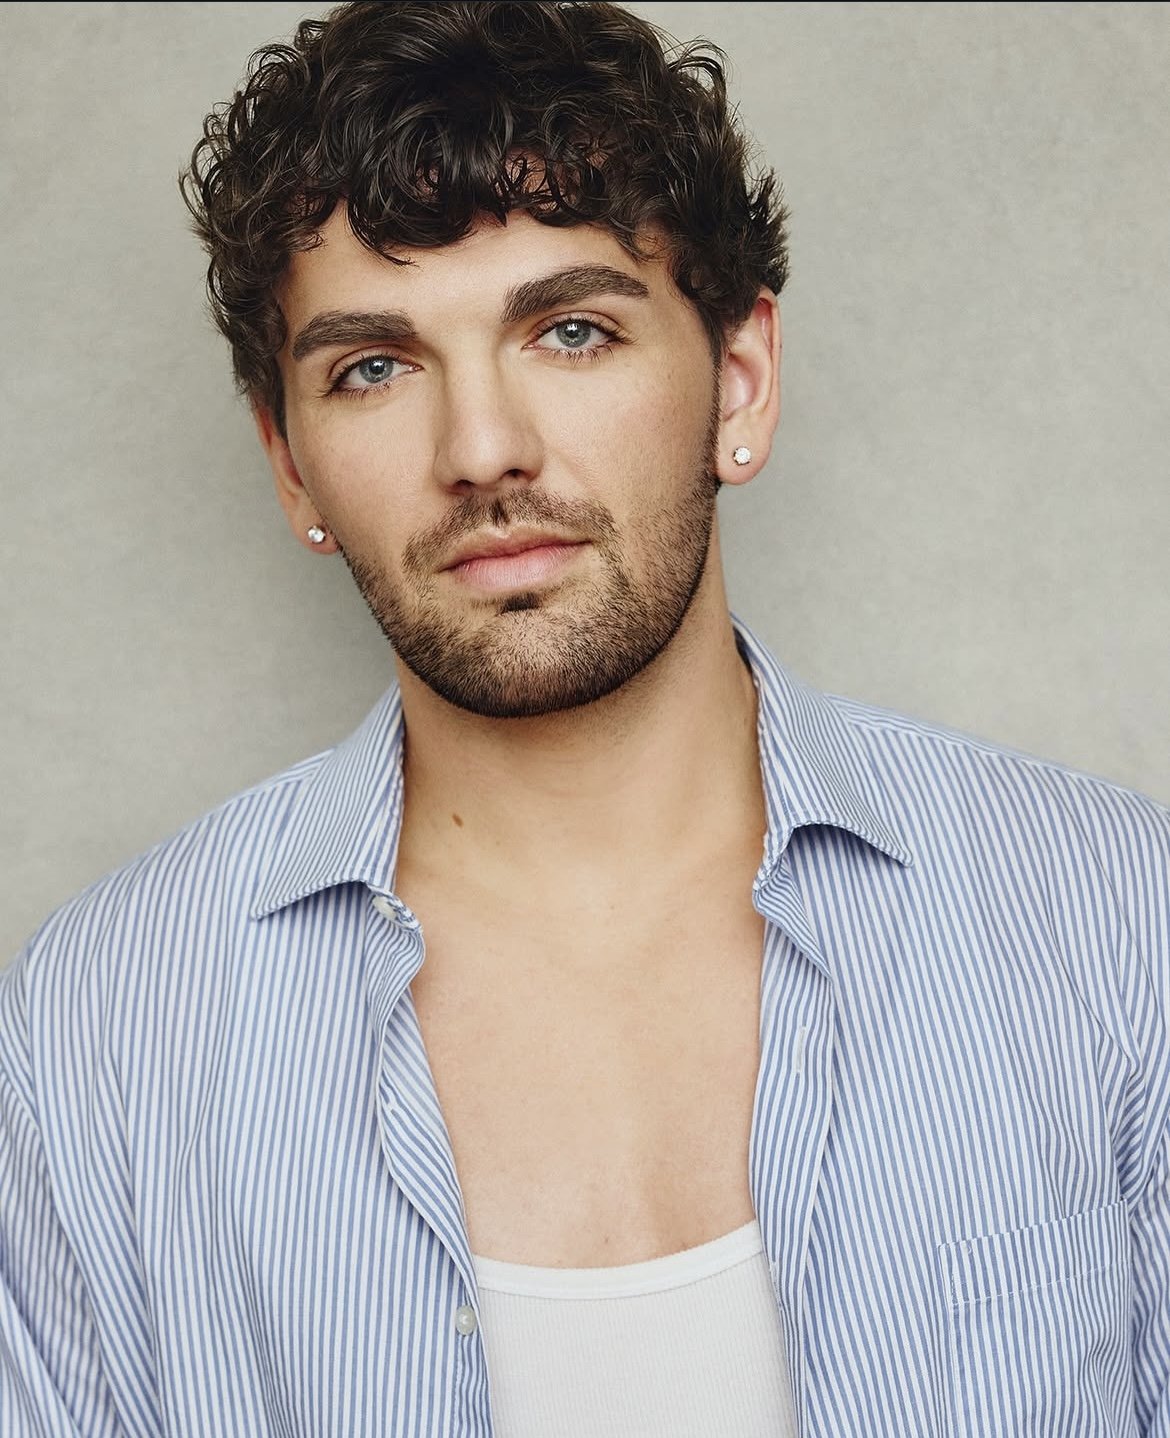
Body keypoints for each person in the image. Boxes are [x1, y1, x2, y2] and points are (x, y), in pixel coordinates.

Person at [1, 1, 1167, 1434]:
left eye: (568, 330)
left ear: (738, 379)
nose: (480, 449)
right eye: (372, 367)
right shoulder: (101, 1026)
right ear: (290, 466)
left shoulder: (1111, 918)